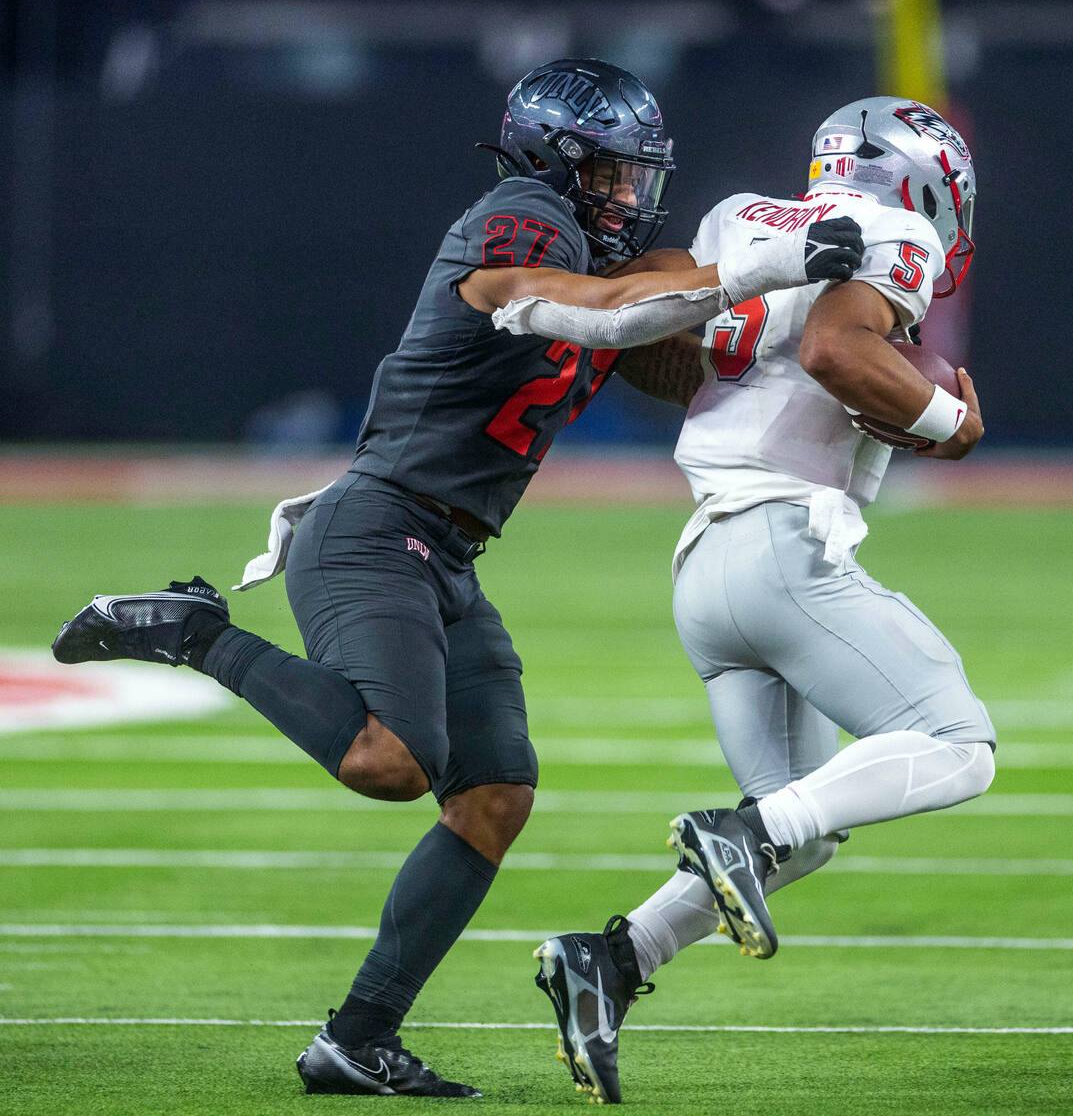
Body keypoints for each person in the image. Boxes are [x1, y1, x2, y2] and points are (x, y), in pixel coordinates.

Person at [50, 59, 863, 1099]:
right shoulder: (519, 222)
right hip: (374, 526)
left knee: (491, 796)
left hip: (449, 555)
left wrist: (815, 322)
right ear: (551, 164)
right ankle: (194, 632)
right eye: (611, 175)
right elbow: (590, 312)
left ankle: (356, 1038)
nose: (629, 195)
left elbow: (673, 339)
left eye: (636, 176)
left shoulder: (595, 259)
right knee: (389, 761)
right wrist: (767, 265)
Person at [514, 96, 995, 1105]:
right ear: (923, 179)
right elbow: (830, 350)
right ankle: (731, 837)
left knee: (800, 828)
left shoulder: (740, 215)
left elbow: (667, 351)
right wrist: (944, 419)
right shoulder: (893, 229)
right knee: (954, 743)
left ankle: (613, 958)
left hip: (705, 564)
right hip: (783, 548)